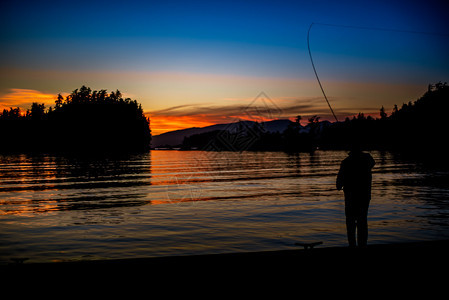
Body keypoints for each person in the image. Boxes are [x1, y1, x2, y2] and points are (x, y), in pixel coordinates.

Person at [336, 144, 375, 247]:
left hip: (350, 198)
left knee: (351, 224)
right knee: (362, 222)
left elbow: (338, 186)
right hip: (364, 197)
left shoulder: (345, 163)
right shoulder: (367, 160)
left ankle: (352, 246)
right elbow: (372, 162)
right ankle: (363, 245)